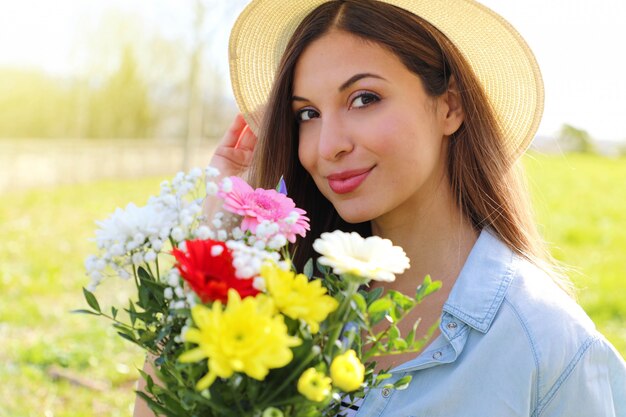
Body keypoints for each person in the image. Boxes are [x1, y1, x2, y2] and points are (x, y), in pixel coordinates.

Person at [135, 0, 626, 415]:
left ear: (450, 106)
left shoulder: (548, 346)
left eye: (364, 98)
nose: (326, 146)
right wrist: (216, 243)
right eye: (307, 113)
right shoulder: (289, 302)